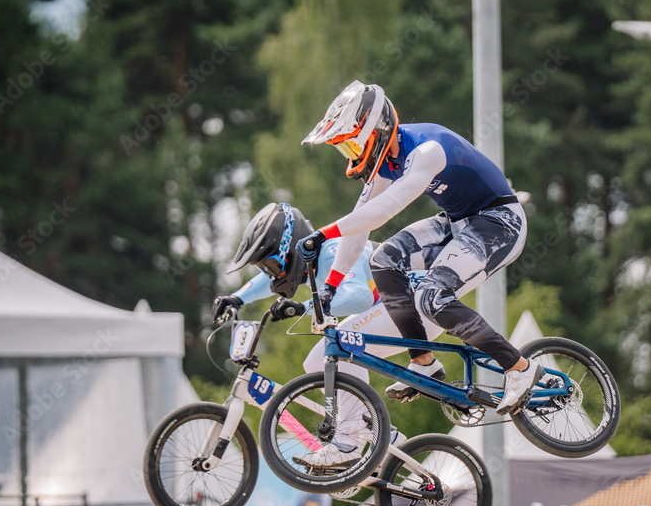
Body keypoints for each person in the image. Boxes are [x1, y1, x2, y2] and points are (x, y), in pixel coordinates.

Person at [298, 80, 542, 415]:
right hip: (459, 222)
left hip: (500, 222)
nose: (353, 157)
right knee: (384, 260)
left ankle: (519, 368)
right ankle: (423, 361)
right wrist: (330, 287)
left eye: (354, 146)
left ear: (377, 130)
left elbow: (384, 210)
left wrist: (322, 234)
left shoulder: (426, 150)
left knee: (430, 296)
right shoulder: (387, 160)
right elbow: (360, 225)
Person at [212, 201, 444, 467]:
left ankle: (349, 443)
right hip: (399, 308)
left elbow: (359, 295)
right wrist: (237, 298)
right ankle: (376, 430)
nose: (273, 276)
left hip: (415, 304)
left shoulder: (333, 249)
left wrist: (304, 306)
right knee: (316, 362)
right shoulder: (312, 259)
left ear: (291, 247)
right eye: (267, 269)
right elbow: (268, 282)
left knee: (335, 348)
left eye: (273, 266)